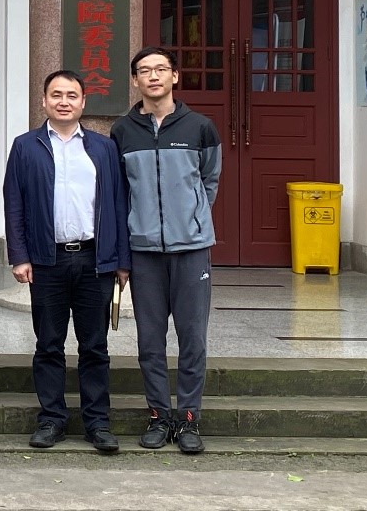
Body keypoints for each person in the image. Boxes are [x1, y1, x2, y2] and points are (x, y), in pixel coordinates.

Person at [2, 69, 130, 453]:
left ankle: (97, 423)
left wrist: (122, 260)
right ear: (44, 101)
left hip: (94, 260)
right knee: (49, 344)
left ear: (83, 102)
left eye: (71, 95)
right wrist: (19, 256)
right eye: (56, 95)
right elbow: (14, 203)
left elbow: (118, 204)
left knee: (95, 346)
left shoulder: (103, 148)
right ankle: (52, 420)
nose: (63, 101)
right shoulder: (26, 146)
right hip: (47, 261)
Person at [111, 47, 222, 455]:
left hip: (191, 250)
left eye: (161, 69)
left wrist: (190, 220)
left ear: (175, 76)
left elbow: (209, 181)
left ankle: (189, 419)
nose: (153, 76)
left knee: (192, 339)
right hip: (143, 252)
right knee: (149, 342)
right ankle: (159, 416)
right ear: (135, 80)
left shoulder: (200, 127)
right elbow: (120, 192)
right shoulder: (123, 131)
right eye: (145, 70)